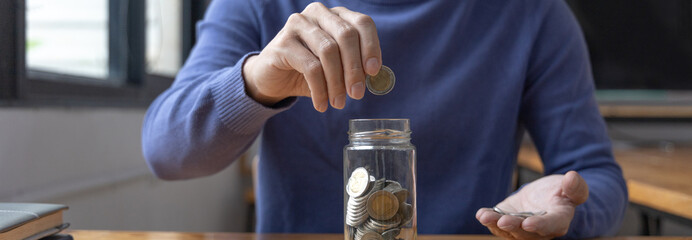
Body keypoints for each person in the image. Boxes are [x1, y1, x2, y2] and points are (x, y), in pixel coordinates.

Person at [142, 0, 628, 239]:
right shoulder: (260, 4)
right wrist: (257, 81)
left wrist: (566, 207)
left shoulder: (532, 13)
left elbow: (598, 174)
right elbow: (165, 151)